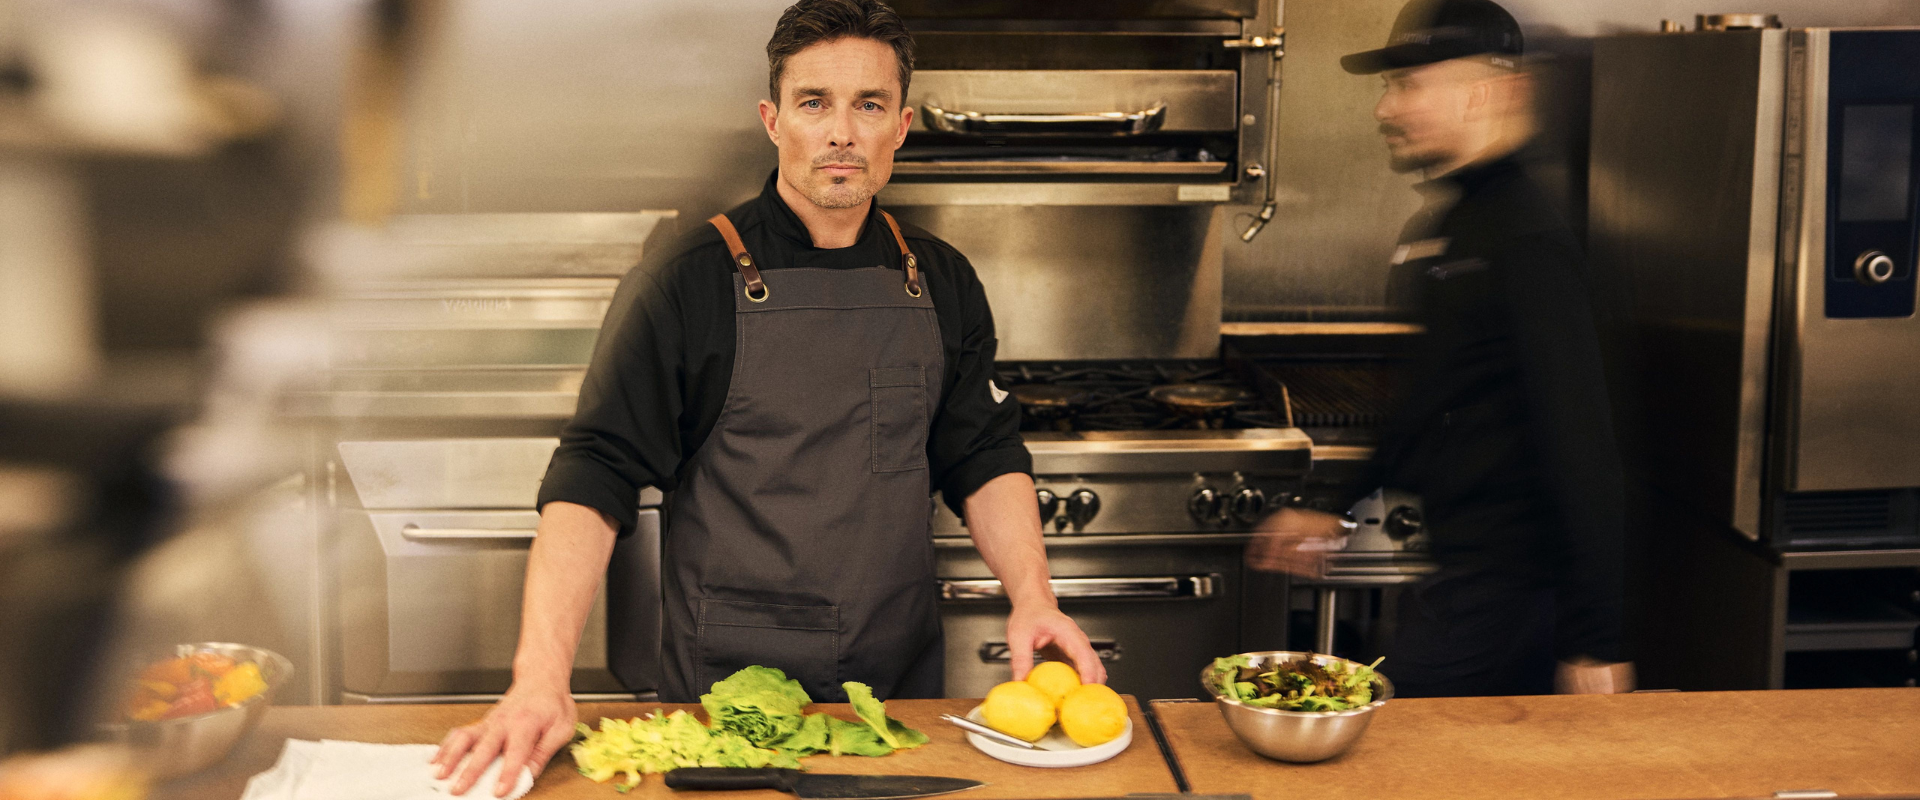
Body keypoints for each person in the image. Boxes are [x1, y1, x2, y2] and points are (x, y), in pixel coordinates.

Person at [432, 1, 1104, 793]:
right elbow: (596, 470)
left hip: (897, 695)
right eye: (814, 102)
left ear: (902, 125)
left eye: (869, 105)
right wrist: (541, 675)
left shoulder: (941, 278)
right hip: (728, 700)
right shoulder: (685, 281)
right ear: (773, 120)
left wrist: (1034, 596)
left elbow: (981, 452)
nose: (842, 132)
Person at [1246, 0, 1634, 699]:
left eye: (1409, 84)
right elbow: (1425, 400)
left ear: (1483, 92)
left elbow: (1583, 447)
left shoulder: (1525, 239)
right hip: (1460, 583)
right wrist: (1332, 504)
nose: (1385, 109)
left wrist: (1595, 641)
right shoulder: (1457, 225)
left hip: (1509, 597)